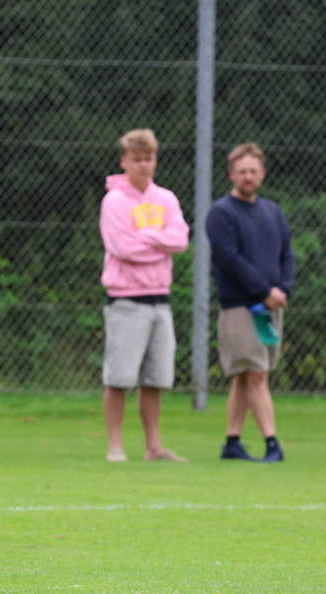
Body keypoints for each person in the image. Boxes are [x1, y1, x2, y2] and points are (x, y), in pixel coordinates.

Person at [99, 129, 190, 463]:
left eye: (148, 158)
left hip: (160, 299)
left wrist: (146, 236)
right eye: (136, 159)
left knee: (156, 379)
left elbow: (180, 240)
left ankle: (154, 447)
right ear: (124, 161)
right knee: (120, 378)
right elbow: (123, 247)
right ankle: (115, 446)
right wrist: (159, 240)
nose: (143, 165)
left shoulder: (166, 199)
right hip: (126, 300)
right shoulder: (114, 201)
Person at [205, 143, 295, 463]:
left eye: (253, 171)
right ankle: (272, 444)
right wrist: (263, 290)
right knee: (256, 374)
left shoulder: (273, 212)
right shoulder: (221, 213)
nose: (247, 177)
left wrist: (281, 289)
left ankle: (232, 443)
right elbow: (230, 259)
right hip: (241, 307)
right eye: (242, 171)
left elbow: (287, 254)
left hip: (270, 307)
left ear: (263, 174)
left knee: (249, 375)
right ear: (231, 174)